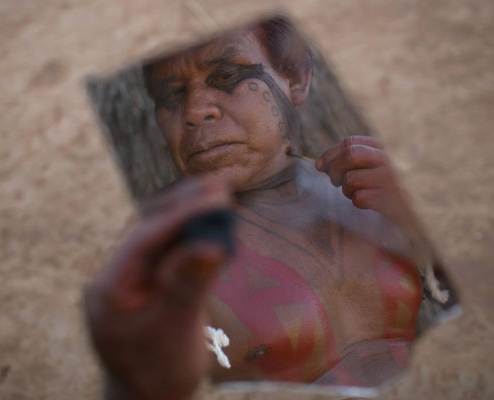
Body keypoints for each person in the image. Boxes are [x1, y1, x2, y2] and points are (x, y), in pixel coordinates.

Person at [84, 16, 436, 400]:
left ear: (297, 80)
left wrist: (433, 217)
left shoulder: (374, 190)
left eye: (226, 76)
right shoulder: (167, 260)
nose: (195, 110)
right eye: (170, 95)